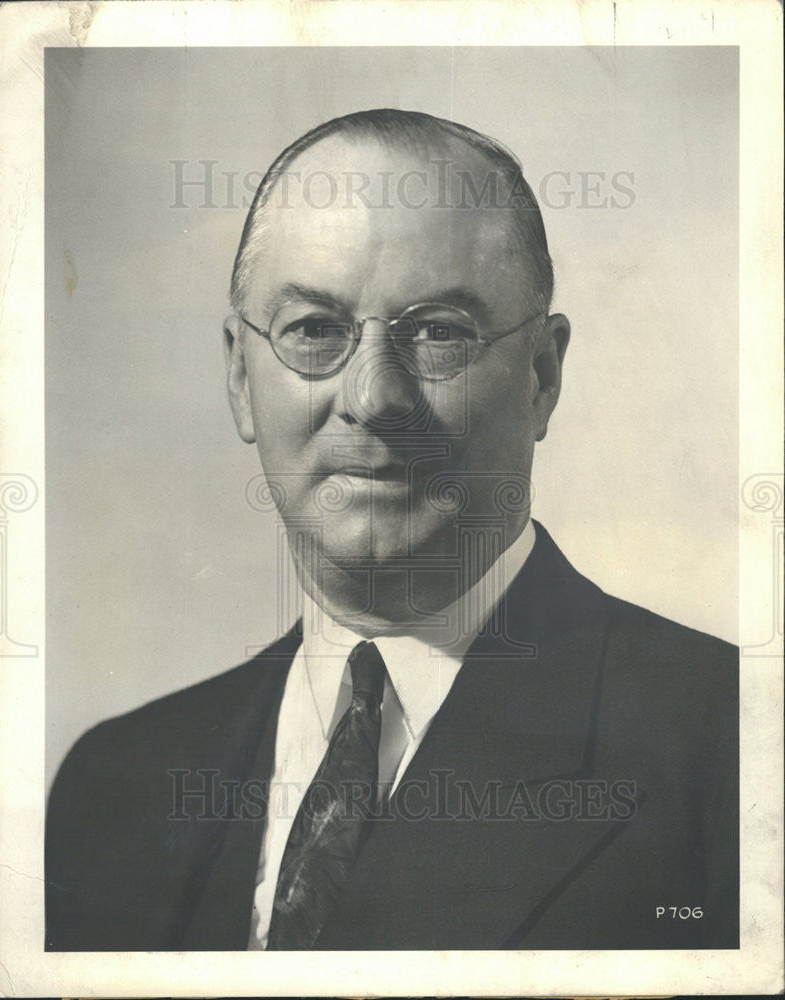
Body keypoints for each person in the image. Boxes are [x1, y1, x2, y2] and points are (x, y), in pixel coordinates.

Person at [46, 109, 738, 951]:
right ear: (238, 375)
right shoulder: (113, 783)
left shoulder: (732, 748)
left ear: (543, 377)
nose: (374, 398)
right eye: (314, 331)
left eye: (439, 333)